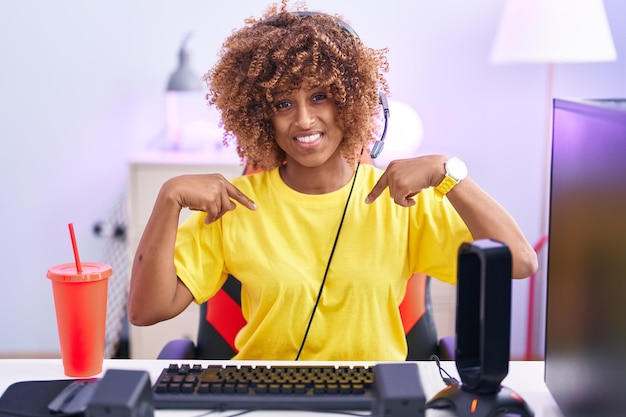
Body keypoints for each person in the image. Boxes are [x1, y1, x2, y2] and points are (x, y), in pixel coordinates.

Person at [127, 1, 538, 361]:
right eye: (283, 103)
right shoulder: (235, 205)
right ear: (261, 116)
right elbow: (146, 311)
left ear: (352, 99)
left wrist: (451, 175)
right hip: (264, 401)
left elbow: (520, 262)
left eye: (320, 96)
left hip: (375, 398)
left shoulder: (401, 201)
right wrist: (168, 198)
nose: (304, 120)